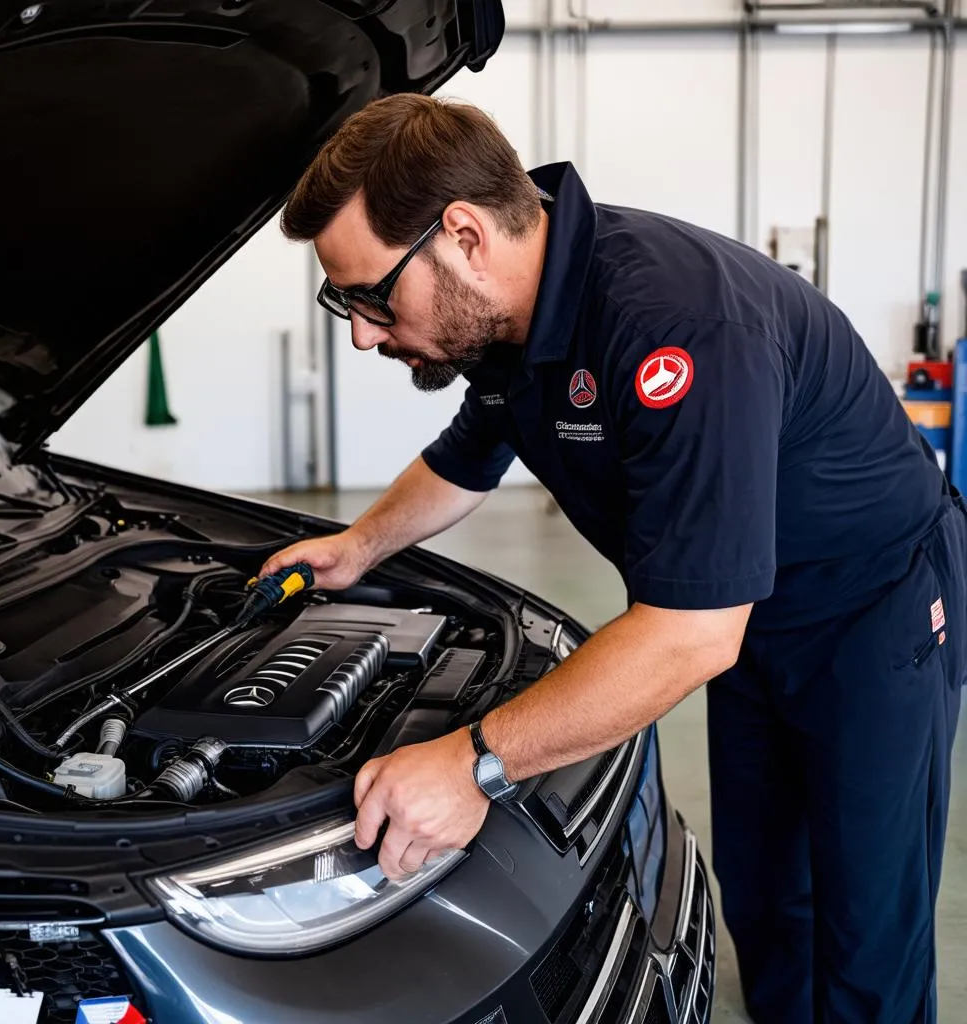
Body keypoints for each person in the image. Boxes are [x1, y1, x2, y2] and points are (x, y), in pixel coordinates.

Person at [262, 93, 964, 1024]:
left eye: (369, 297)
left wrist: (471, 763)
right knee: (769, 907)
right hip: (746, 622)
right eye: (340, 301)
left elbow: (688, 637)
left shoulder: (677, 324)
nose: (359, 332)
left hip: (872, 614)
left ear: (464, 235)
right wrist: (357, 546)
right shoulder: (513, 322)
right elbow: (471, 458)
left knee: (868, 939)